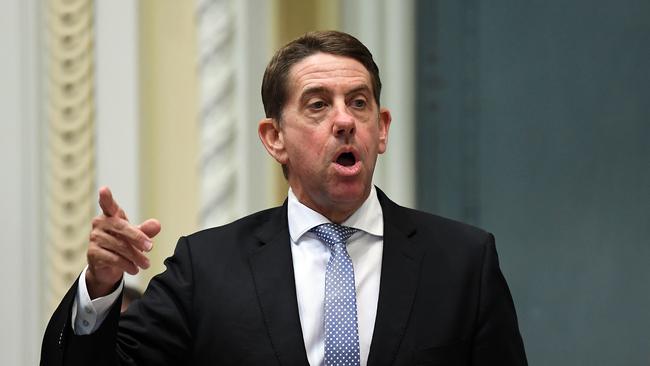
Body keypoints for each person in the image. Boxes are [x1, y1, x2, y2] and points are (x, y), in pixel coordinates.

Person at [41, 30, 527, 365]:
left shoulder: (463, 262)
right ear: (274, 138)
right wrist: (100, 289)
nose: (344, 120)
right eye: (318, 104)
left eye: (359, 103)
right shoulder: (208, 267)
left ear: (381, 130)